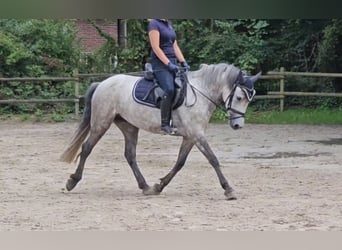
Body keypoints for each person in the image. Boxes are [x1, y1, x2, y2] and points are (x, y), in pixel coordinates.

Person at [147, 19, 190, 135]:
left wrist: (183, 61)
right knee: (169, 89)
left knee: (183, 87)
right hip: (160, 64)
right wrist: (168, 64)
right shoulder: (154, 24)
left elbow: (174, 46)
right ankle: (165, 124)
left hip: (172, 61)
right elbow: (156, 47)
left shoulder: (169, 25)